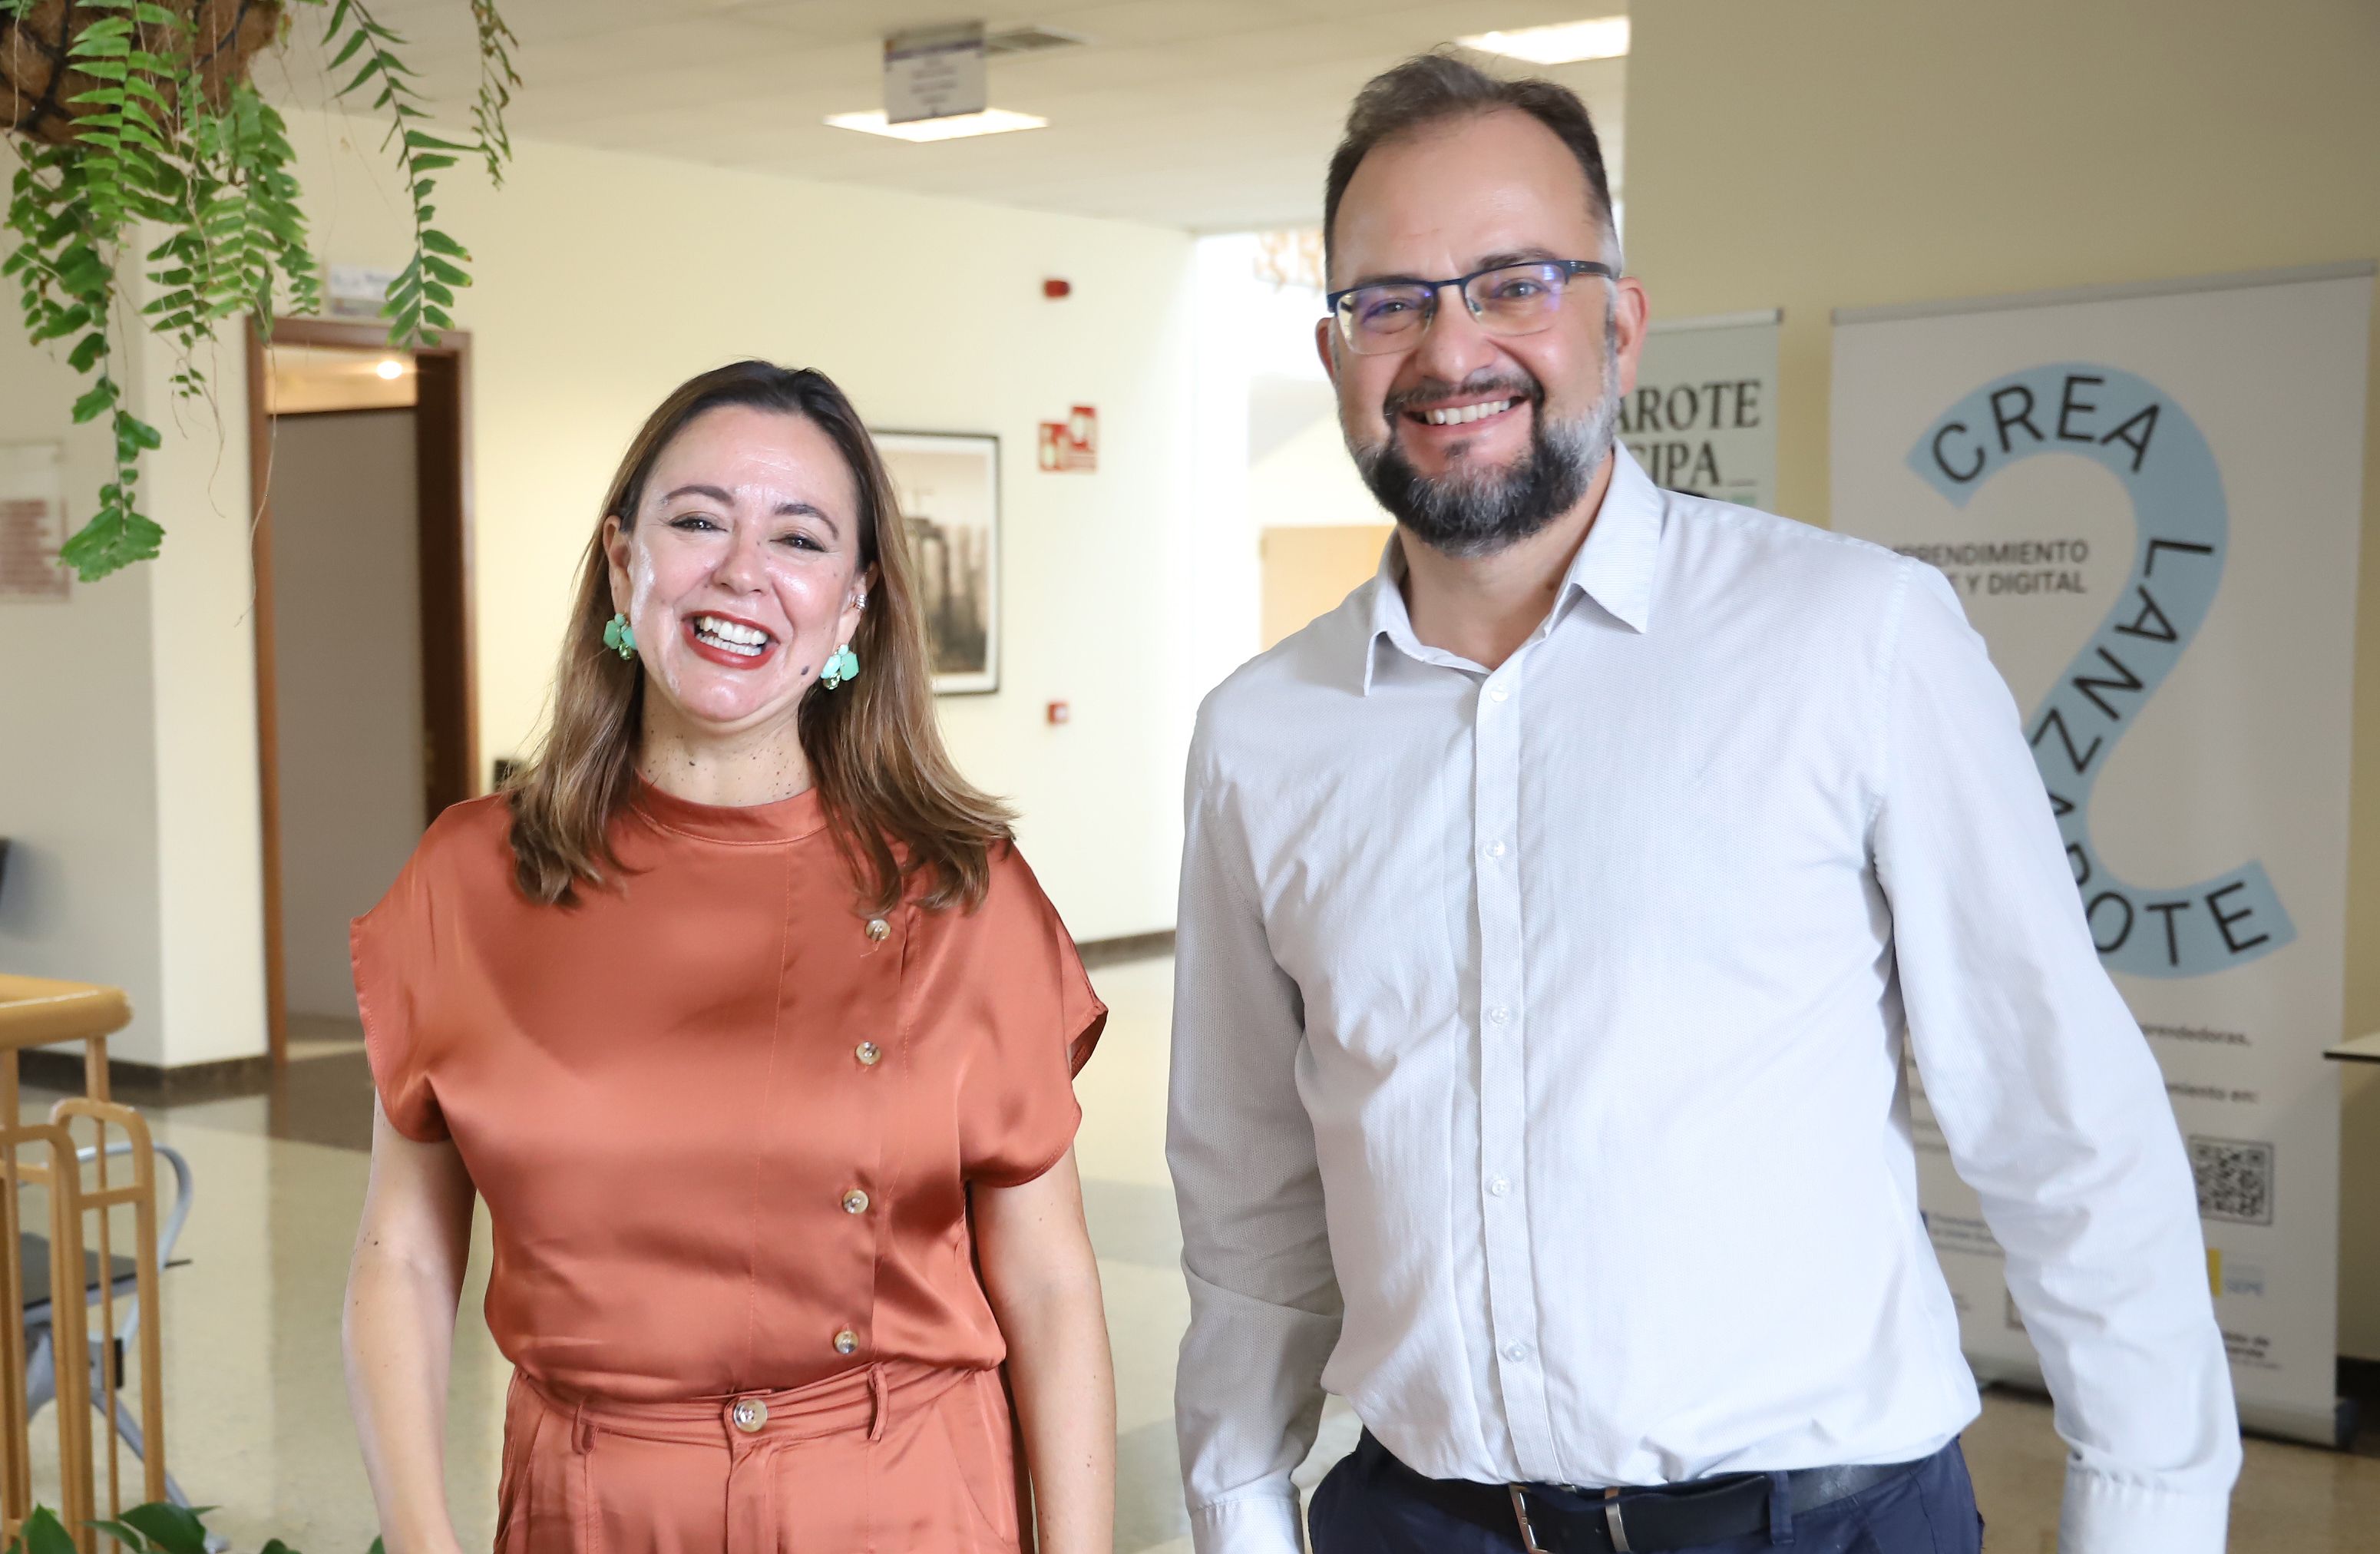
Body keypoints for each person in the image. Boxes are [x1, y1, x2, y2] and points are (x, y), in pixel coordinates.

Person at [1166, 52, 2237, 1554]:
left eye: (1512, 281)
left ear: (1620, 321)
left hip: (1814, 1525)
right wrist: (1236, 1504)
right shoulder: (1259, 735)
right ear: (1336, 348)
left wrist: (2149, 1519)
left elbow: (2059, 1119)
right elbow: (1246, 1186)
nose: (1446, 345)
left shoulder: (1854, 638)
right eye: (1388, 299)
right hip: (1413, 1523)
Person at [343, 362, 1116, 1553]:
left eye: (798, 538)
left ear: (853, 607)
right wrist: (420, 1539)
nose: (741, 572)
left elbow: (1053, 1288)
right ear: (623, 564)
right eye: (698, 521)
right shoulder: (469, 881)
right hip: (590, 1509)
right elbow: (400, 1260)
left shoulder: (960, 892)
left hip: (902, 1499)